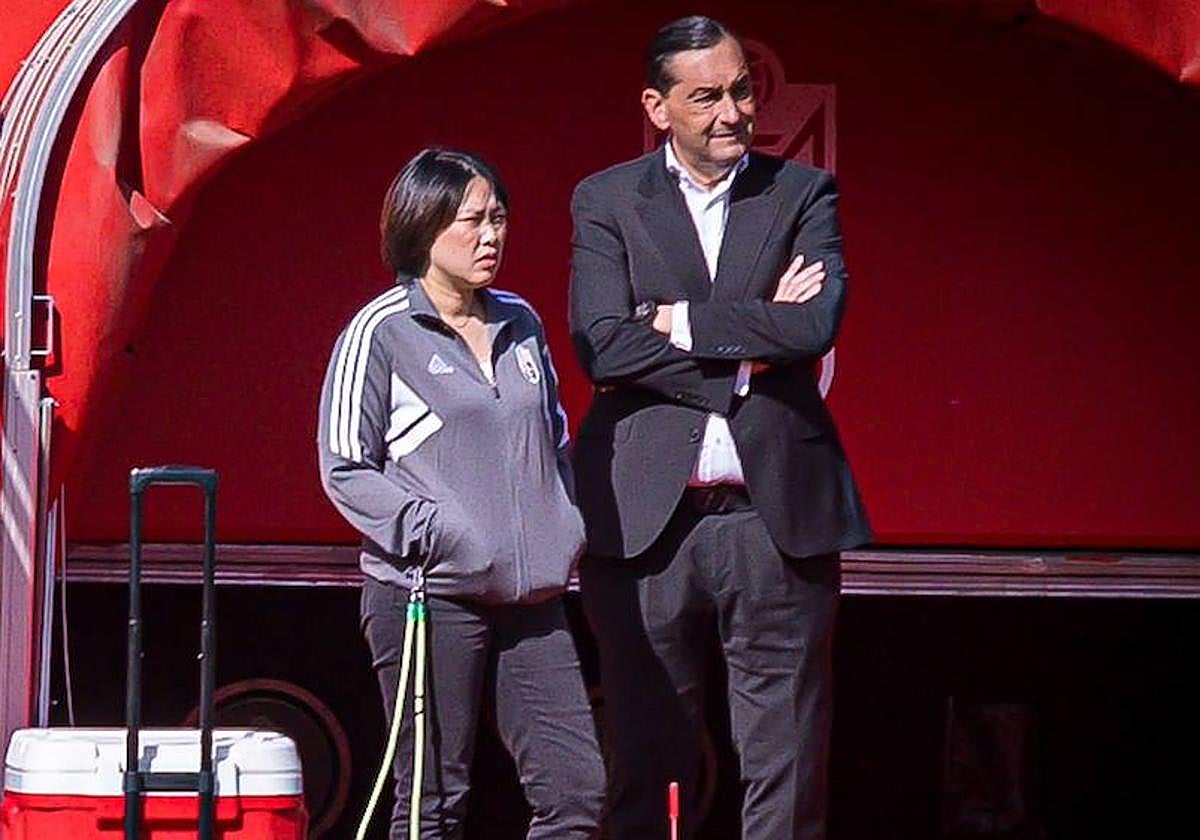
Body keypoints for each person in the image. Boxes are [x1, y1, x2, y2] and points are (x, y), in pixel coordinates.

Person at [569, 16, 871, 840]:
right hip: (646, 527)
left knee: (787, 760)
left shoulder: (801, 193)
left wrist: (677, 324)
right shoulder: (607, 200)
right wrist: (750, 341)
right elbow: (601, 341)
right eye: (706, 97)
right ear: (657, 106)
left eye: (741, 90)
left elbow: (814, 330)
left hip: (773, 521)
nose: (733, 111)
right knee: (646, 759)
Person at [318, 148, 604, 839]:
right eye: (472, 221)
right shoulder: (381, 331)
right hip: (429, 594)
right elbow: (345, 467)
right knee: (430, 802)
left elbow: (554, 441)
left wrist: (562, 527)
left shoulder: (520, 322)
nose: (491, 236)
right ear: (424, 227)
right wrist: (439, 534)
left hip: (531, 601)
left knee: (577, 794)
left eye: (499, 218)